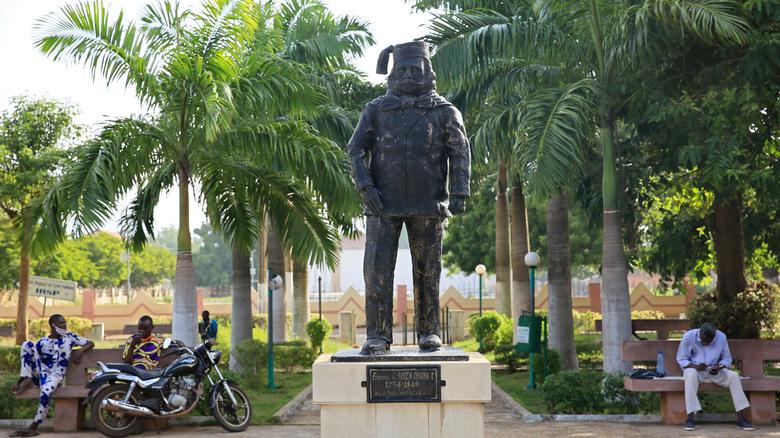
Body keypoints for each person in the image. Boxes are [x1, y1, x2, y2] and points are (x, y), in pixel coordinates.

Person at [348, 41, 470, 354]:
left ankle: (429, 332)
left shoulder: (445, 112)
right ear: (392, 74)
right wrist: (365, 187)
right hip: (381, 204)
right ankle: (377, 335)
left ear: (428, 73)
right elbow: (356, 148)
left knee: (428, 270)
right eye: (402, 70)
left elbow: (459, 151)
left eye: (415, 70)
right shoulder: (375, 110)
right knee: (376, 271)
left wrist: (459, 192)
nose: (408, 76)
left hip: (428, 203)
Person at [9, 314, 94, 437]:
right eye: (61, 323)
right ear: (52, 326)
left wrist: (80, 352)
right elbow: (31, 359)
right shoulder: (43, 342)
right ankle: (26, 378)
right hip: (41, 373)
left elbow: (90, 343)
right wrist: (18, 381)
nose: (64, 325)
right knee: (27, 344)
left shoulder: (69, 337)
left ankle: (34, 425)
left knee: (46, 392)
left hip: (55, 376)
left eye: (64, 323)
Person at [676, 322, 754, 431]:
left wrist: (719, 367)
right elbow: (681, 358)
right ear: (700, 335)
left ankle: (741, 418)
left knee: (734, 376)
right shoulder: (689, 336)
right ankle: (690, 418)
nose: (707, 344)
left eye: (709, 342)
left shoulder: (721, 337)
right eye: (704, 341)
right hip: (696, 370)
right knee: (689, 375)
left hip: (715, 371)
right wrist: (697, 366)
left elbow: (726, 359)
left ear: (714, 337)